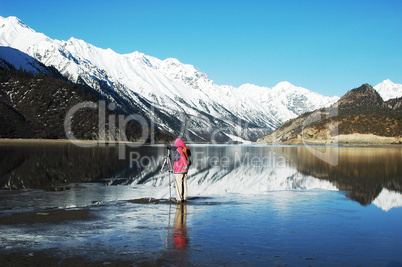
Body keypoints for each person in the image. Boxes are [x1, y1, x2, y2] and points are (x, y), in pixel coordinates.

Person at [172, 138, 191, 203]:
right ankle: (184, 197)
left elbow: (175, 159)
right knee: (184, 183)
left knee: (178, 184)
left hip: (179, 170)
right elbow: (188, 157)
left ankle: (179, 199)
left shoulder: (178, 150)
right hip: (185, 169)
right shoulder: (187, 149)